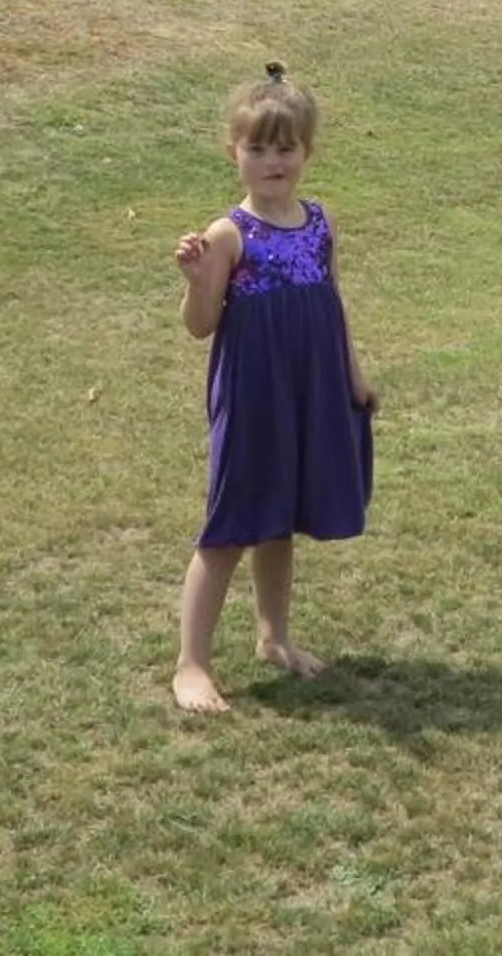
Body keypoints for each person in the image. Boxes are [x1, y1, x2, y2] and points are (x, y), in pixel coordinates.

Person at [171, 64, 375, 715]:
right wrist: (198, 280)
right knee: (232, 524)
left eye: (285, 148)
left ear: (306, 153)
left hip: (308, 390)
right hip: (254, 396)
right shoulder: (229, 234)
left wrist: (354, 374)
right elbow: (201, 327)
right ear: (235, 153)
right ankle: (191, 666)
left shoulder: (320, 224)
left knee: (281, 518)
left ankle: (273, 637)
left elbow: (332, 302)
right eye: (258, 148)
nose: (272, 161)